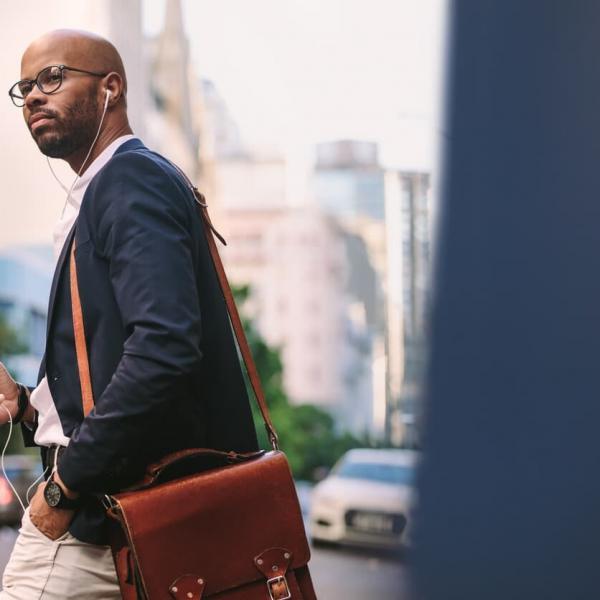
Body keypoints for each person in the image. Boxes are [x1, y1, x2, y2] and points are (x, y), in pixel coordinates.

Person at [0, 29, 259, 599]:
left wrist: (64, 487)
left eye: (53, 77)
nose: (35, 96)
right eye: (25, 88)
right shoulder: (113, 188)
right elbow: (117, 361)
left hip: (101, 510)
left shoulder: (129, 180)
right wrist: (28, 401)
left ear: (111, 88)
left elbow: (164, 349)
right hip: (128, 507)